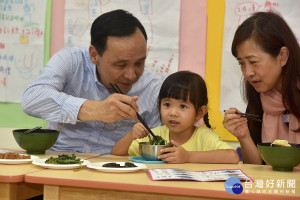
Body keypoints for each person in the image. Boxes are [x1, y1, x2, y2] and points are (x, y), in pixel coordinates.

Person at [21, 9, 163, 155]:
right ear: (94, 55)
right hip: (58, 159)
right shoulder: (71, 61)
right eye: (120, 65)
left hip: (111, 167)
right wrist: (94, 109)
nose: (131, 75)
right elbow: (31, 98)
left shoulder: (153, 89)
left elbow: (155, 146)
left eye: (139, 63)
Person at [111, 71, 240, 164]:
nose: (173, 113)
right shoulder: (155, 136)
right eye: (167, 104)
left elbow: (232, 156)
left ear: (200, 113)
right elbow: (115, 155)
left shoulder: (203, 137)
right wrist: (131, 136)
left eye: (183, 106)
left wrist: (188, 157)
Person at [223, 12, 300, 165]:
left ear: (283, 56)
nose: (248, 73)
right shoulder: (259, 98)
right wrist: (243, 137)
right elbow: (256, 168)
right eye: (241, 64)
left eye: (253, 61)